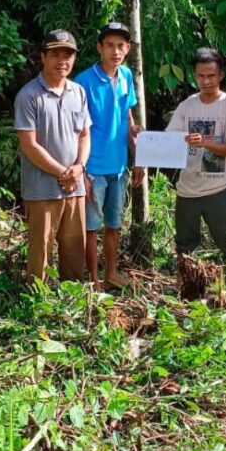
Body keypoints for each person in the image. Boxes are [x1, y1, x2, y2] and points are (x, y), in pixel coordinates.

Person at [14, 30, 91, 283]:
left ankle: (73, 298)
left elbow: (84, 134)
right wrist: (62, 172)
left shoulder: (78, 92)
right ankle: (37, 298)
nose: (62, 61)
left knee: (75, 247)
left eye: (67, 55)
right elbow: (29, 145)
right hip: (42, 189)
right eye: (55, 54)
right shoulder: (29, 95)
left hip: (75, 186)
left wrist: (79, 167)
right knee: (41, 250)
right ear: (43, 57)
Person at [166, 48, 226, 276]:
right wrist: (146, 137)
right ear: (194, 76)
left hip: (218, 188)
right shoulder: (187, 106)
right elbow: (169, 139)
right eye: (201, 76)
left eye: (211, 75)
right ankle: (187, 287)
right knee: (184, 245)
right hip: (187, 188)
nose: (206, 81)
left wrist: (205, 142)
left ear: (221, 75)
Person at [75, 22, 143, 290]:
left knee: (114, 224)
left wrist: (138, 158)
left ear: (127, 49)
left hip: (119, 167)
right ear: (99, 48)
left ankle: (111, 274)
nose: (115, 51)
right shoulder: (83, 82)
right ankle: (93, 279)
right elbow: (77, 131)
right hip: (93, 168)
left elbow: (128, 118)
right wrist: (82, 170)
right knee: (91, 227)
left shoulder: (126, 75)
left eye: (120, 46)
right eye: (110, 46)